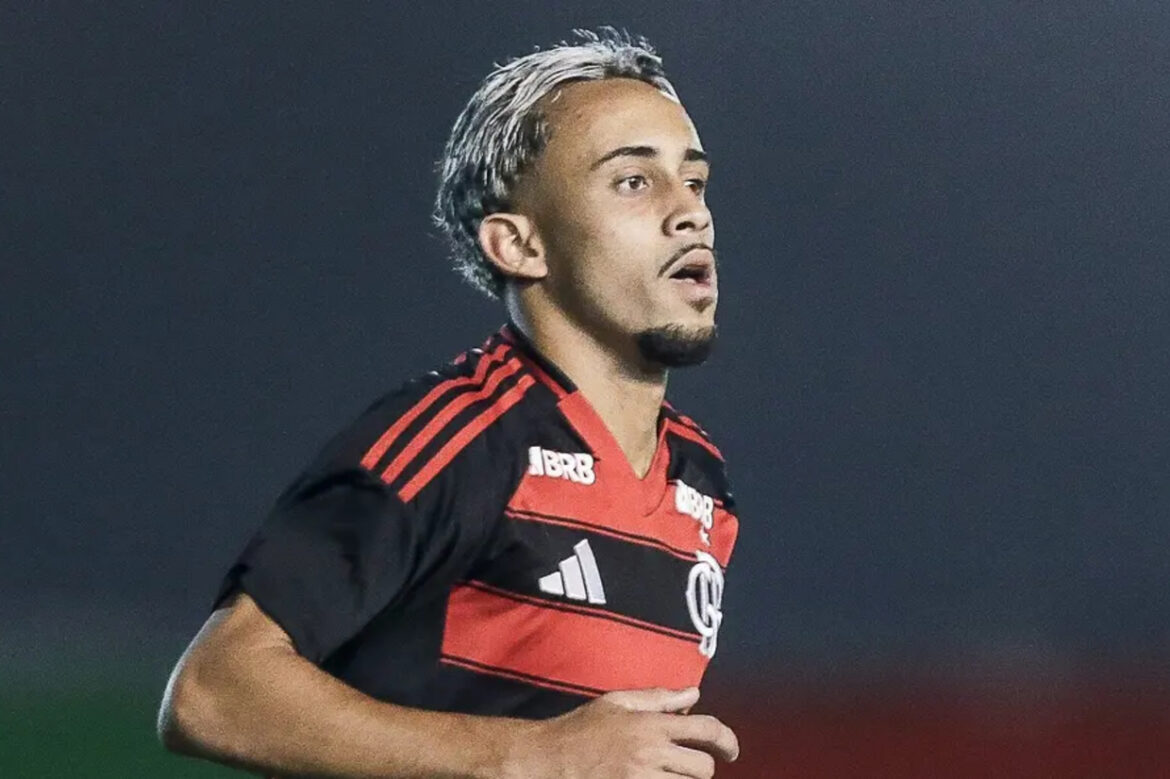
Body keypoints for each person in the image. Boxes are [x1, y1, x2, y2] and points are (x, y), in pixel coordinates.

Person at [158, 29, 741, 778]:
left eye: (694, 181)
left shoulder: (701, 478)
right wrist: (537, 754)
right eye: (633, 181)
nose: (691, 212)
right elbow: (212, 692)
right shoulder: (459, 439)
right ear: (519, 245)